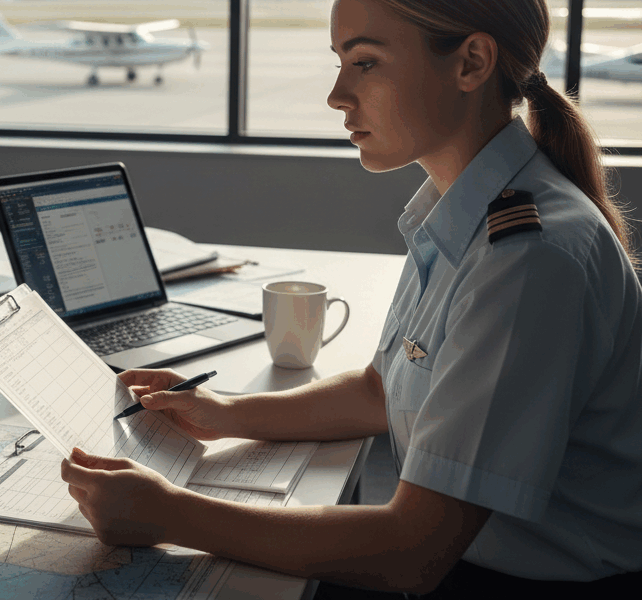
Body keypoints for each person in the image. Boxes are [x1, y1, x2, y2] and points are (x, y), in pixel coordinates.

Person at [59, 0, 642, 596]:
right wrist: (227, 412)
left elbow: (414, 550)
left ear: (471, 63)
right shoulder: (461, 213)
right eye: (340, 62)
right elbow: (379, 391)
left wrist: (169, 514)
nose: (337, 96)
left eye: (365, 63)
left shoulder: (525, 259)